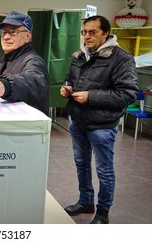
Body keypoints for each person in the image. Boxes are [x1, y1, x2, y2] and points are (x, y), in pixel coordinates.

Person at [60, 15, 138, 224]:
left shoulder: (121, 58)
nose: (87, 36)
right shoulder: (79, 56)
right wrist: (67, 89)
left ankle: (103, 212)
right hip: (78, 121)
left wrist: (90, 96)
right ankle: (85, 202)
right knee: (81, 164)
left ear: (105, 33)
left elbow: (127, 94)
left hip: (102, 125)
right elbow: (71, 79)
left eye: (92, 32)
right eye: (84, 32)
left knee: (104, 170)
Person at [0, 11, 49, 115]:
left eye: (13, 32)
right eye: (4, 32)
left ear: (28, 36)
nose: (6, 37)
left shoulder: (33, 60)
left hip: (28, 125)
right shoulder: (7, 60)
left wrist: (6, 85)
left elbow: (34, 81)